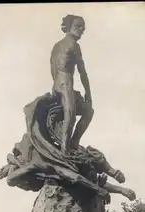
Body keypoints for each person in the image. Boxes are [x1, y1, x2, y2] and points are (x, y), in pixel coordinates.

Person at [50, 15, 94, 154]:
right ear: (68, 27)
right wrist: (88, 94)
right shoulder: (74, 46)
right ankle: (65, 150)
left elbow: (52, 69)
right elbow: (82, 73)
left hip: (57, 85)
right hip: (66, 84)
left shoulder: (56, 46)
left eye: (83, 28)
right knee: (71, 115)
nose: (81, 30)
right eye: (78, 27)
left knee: (86, 112)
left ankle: (72, 144)